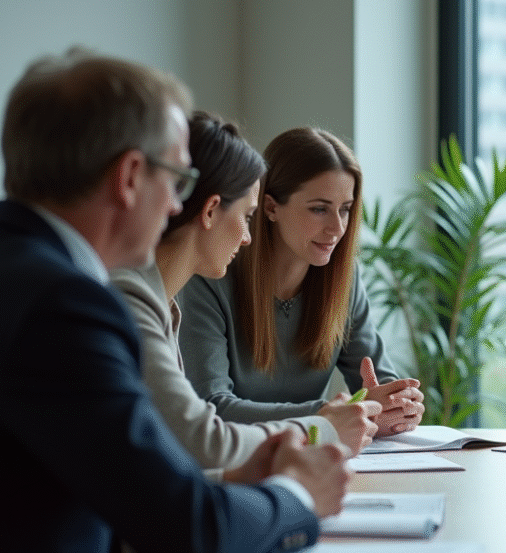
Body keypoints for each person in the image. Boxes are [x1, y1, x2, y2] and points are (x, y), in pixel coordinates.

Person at [0, 50, 351, 553]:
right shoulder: (62, 305)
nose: (177, 208)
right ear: (130, 177)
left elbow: (123, 479)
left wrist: (244, 471)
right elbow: (186, 529)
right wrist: (298, 496)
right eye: (177, 182)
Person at [111, 111, 381, 466]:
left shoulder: (162, 303)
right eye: (248, 216)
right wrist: (322, 426)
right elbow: (201, 438)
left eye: (346, 210)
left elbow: (174, 454)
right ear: (210, 212)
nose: (248, 236)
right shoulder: (134, 301)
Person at [178, 126, 424, 435]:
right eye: (319, 209)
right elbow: (211, 407)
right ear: (270, 207)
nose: (337, 228)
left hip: (315, 461)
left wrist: (399, 405)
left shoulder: (344, 280)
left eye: (345, 210)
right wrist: (327, 417)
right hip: (234, 465)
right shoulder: (211, 276)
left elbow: (379, 385)